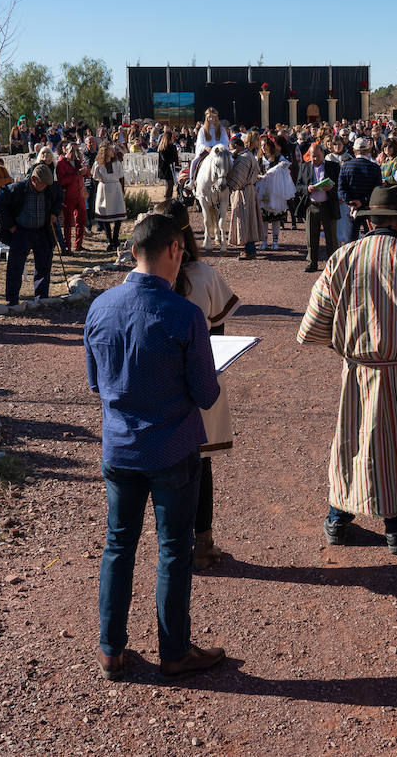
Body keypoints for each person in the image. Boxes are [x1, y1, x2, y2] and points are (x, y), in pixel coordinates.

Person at [84, 213, 225, 680]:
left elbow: (94, 383)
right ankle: (174, 650)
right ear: (174, 251)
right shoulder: (185, 314)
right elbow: (206, 394)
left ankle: (111, 649)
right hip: (172, 448)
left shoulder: (100, 308)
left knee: (118, 546)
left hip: (120, 448)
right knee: (172, 550)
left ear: (131, 254)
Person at [298, 185, 397, 555]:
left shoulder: (344, 257)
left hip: (359, 373)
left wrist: (349, 343)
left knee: (355, 445)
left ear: (369, 221)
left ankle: (339, 519)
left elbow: (312, 326)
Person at [161, 200, 239, 570]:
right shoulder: (206, 275)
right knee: (200, 462)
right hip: (201, 378)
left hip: (157, 381)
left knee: (162, 462)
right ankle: (202, 542)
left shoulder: (142, 275)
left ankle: (171, 545)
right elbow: (219, 333)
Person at [0, 162, 62, 305]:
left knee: (44, 265)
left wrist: (54, 212)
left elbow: (59, 197)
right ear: (33, 179)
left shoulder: (49, 188)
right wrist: (10, 226)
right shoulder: (18, 188)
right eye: (42, 184)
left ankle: (41, 298)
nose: (44, 187)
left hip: (42, 230)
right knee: (15, 267)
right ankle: (12, 300)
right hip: (21, 231)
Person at [296, 145, 340, 272]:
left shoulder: (333, 166)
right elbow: (298, 186)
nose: (313, 159)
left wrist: (332, 188)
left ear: (323, 154)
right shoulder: (304, 167)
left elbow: (340, 184)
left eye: (316, 156)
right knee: (311, 237)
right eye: (311, 156)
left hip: (328, 205)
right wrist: (307, 189)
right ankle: (312, 263)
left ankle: (333, 264)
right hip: (311, 206)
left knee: (331, 238)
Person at [225, 134, 263, 259]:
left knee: (245, 221)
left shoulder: (243, 159)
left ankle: (250, 251)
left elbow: (237, 180)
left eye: (231, 148)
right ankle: (250, 250)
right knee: (250, 221)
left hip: (243, 192)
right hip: (250, 190)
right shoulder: (249, 155)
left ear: (236, 146)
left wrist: (227, 184)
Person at [337, 138, 382, 242]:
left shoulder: (346, 166)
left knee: (351, 242)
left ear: (354, 150)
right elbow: (377, 191)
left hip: (352, 208)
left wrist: (351, 202)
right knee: (370, 241)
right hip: (369, 208)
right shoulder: (375, 168)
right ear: (368, 150)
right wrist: (362, 201)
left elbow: (341, 188)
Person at [256, 141, 295, 250]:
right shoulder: (258, 159)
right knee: (263, 218)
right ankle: (264, 241)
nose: (263, 148)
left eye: (265, 145)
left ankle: (275, 241)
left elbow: (286, 166)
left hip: (275, 191)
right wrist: (260, 176)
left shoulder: (278, 158)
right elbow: (255, 173)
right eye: (262, 145)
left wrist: (280, 167)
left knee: (275, 218)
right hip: (262, 191)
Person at [93, 144, 127, 251]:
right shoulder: (98, 164)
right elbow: (95, 176)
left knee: (118, 214)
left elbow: (121, 176)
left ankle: (115, 238)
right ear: (105, 151)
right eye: (111, 150)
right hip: (104, 188)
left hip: (116, 188)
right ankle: (109, 240)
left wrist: (122, 190)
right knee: (105, 215)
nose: (113, 152)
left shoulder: (117, 163)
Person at [57, 142, 89, 253]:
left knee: (81, 220)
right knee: (68, 222)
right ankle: (67, 246)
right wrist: (76, 173)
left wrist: (85, 170)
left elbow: (87, 174)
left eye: (76, 150)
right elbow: (62, 181)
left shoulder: (78, 161)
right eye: (72, 150)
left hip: (79, 194)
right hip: (68, 196)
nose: (74, 152)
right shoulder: (61, 163)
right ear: (66, 150)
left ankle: (78, 245)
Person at [158, 129, 180, 204]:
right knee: (169, 184)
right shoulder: (163, 148)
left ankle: (169, 199)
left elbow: (175, 159)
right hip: (165, 169)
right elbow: (165, 159)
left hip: (171, 168)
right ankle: (167, 200)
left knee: (171, 184)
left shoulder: (172, 147)